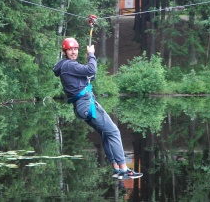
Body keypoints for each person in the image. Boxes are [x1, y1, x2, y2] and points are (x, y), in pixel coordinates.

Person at [53, 37, 143, 180]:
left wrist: (89, 68)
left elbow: (90, 74)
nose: (73, 52)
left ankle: (116, 169)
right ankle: (124, 170)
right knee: (114, 132)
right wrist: (92, 54)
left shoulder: (65, 66)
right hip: (87, 105)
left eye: (75, 49)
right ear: (65, 51)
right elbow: (91, 68)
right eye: (70, 49)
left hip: (81, 107)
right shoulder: (70, 65)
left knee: (105, 134)